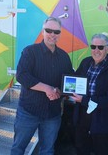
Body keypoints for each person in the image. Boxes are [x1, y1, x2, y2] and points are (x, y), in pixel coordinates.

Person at [11, 17, 74, 155]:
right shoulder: (30, 51)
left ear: (60, 33)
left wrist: (59, 91)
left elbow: (69, 81)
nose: (52, 34)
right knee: (18, 148)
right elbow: (22, 75)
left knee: (47, 150)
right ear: (43, 32)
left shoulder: (64, 57)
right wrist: (47, 88)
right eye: (48, 30)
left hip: (52, 114)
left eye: (56, 31)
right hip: (29, 112)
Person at [71, 33, 108, 155]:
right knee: (81, 150)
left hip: (102, 122)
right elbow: (75, 82)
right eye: (93, 46)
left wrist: (84, 100)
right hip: (82, 118)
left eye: (100, 47)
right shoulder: (85, 62)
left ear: (107, 48)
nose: (96, 50)